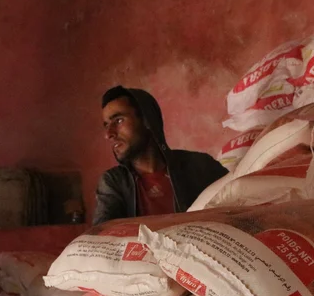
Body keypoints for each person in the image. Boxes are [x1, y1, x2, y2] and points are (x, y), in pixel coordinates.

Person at [94, 86, 228, 225]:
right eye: (106, 125)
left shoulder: (200, 166)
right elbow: (102, 237)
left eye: (119, 121)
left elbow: (238, 208)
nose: (108, 134)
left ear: (146, 120)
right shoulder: (114, 182)